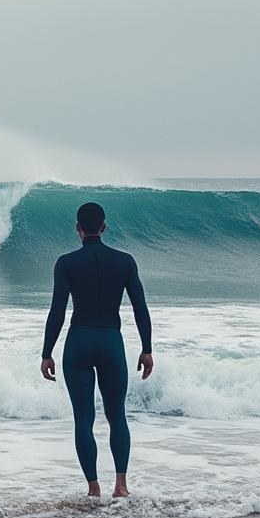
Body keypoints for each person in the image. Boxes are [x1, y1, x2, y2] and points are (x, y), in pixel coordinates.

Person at [40, 201, 153, 498]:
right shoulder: (125, 261)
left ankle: (93, 488)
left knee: (84, 419)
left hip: (78, 342)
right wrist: (147, 348)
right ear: (104, 227)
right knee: (117, 416)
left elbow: (57, 312)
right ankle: (121, 486)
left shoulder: (66, 263)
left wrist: (46, 352)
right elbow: (140, 307)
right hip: (110, 342)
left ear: (77, 228)